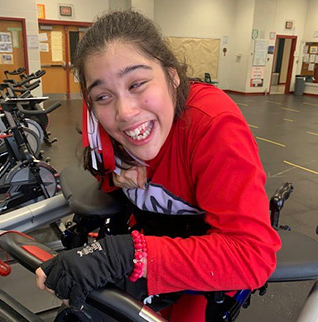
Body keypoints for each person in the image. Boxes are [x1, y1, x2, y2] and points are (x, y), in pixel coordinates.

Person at [35, 10, 281, 321]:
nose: (124, 111)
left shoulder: (213, 126)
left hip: (205, 263)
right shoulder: (104, 130)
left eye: (137, 83)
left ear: (172, 75)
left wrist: (121, 255)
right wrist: (119, 177)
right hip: (149, 241)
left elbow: (252, 258)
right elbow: (103, 172)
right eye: (103, 96)